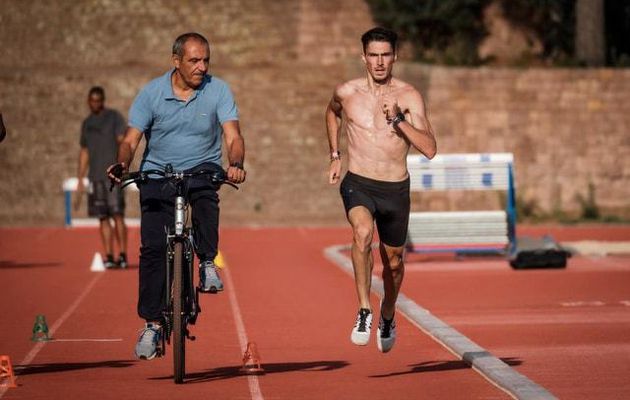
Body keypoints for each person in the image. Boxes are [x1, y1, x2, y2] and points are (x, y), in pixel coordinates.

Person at [108, 32, 246, 360]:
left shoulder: (218, 90)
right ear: (176, 61)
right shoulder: (151, 94)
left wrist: (236, 163)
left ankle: (208, 262)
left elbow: (233, 136)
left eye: (205, 60)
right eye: (194, 61)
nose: (201, 67)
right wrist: (122, 163)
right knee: (153, 249)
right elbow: (130, 140)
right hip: (158, 174)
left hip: (201, 169)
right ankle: (152, 325)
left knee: (207, 199)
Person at [326, 27, 437, 353]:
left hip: (395, 189)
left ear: (394, 57)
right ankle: (364, 308)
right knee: (361, 233)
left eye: (385, 55)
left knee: (394, 264)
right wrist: (335, 154)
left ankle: (388, 312)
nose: (379, 62)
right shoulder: (346, 92)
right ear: (364, 57)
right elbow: (331, 113)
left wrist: (400, 121)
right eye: (373, 55)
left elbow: (430, 148)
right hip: (358, 182)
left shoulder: (409, 96)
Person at [75, 86, 128, 268]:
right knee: (102, 218)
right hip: (95, 177)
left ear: (103, 100)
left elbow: (124, 142)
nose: (94, 104)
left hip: (112, 177)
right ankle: (109, 256)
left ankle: (122, 255)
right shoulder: (87, 123)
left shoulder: (114, 117)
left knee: (117, 215)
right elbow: (84, 151)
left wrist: (123, 166)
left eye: (98, 100)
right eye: (92, 100)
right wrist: (81, 178)